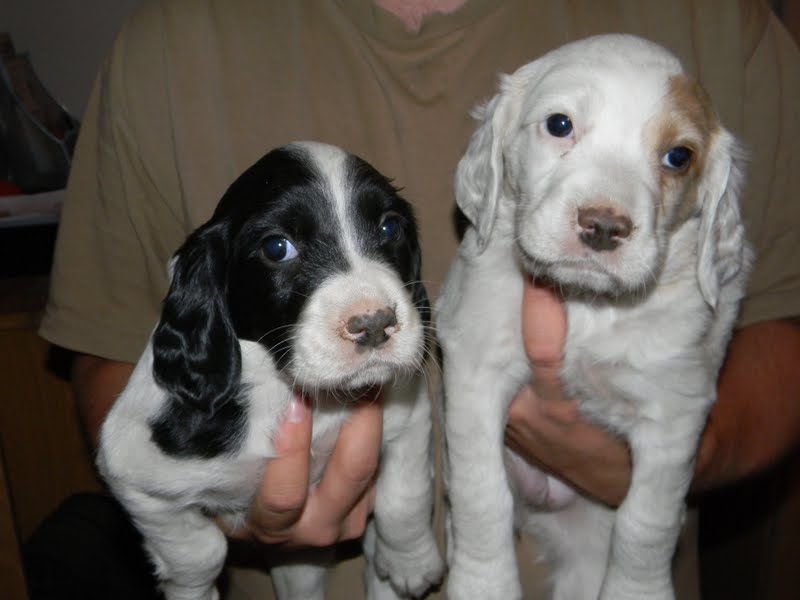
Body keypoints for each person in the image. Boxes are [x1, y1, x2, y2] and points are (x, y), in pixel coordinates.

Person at [32, 1, 800, 599]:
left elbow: (776, 342)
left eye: (671, 156)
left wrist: (661, 460)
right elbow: (120, 393)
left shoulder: (726, 23)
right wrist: (223, 509)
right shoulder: (164, 43)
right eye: (560, 127)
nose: (606, 211)